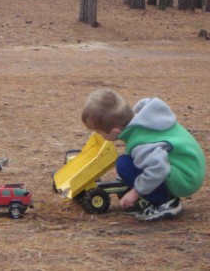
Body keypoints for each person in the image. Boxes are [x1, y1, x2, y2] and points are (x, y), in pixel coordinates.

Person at [81, 88, 206, 222]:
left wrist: (136, 192)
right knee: (131, 161)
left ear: (114, 131)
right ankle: (156, 194)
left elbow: (158, 169)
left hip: (185, 180)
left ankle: (165, 203)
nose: (99, 135)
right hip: (190, 167)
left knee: (124, 165)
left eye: (100, 133)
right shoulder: (147, 117)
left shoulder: (141, 143)